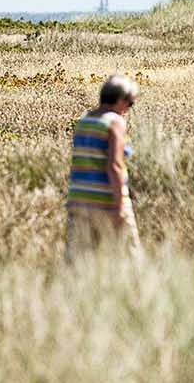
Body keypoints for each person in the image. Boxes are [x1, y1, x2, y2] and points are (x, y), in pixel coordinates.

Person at [65, 74, 142, 260]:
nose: (127, 110)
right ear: (120, 100)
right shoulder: (115, 122)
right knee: (131, 258)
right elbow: (114, 165)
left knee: (78, 261)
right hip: (105, 199)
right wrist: (119, 207)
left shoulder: (84, 120)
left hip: (78, 199)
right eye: (130, 104)